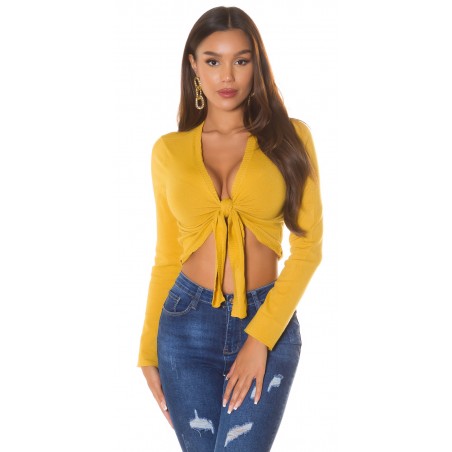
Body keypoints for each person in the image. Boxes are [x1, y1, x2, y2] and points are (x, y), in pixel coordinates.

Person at [137, 6, 323, 451]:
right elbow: (167, 257)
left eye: (241, 60)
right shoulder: (168, 151)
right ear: (193, 65)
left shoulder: (290, 139)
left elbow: (309, 248)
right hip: (184, 327)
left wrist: (260, 338)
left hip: (267, 318)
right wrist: (147, 352)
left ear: (256, 64)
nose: (227, 75)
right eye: (212, 60)